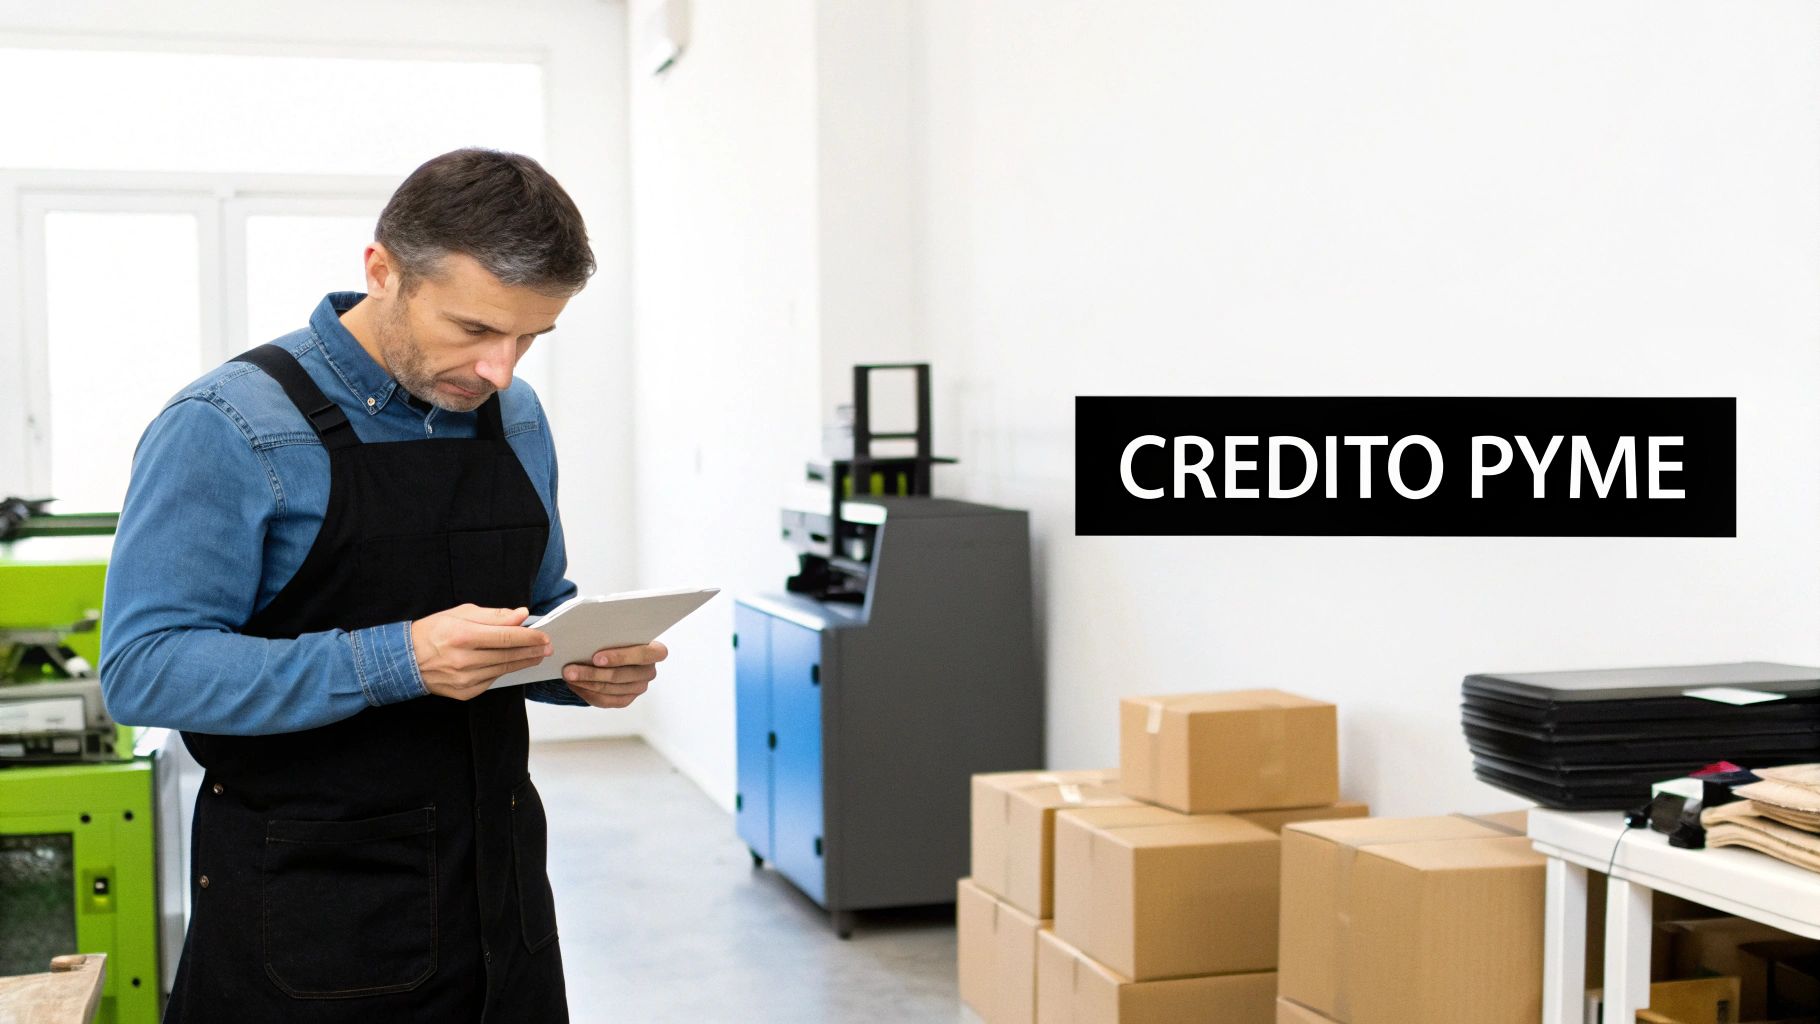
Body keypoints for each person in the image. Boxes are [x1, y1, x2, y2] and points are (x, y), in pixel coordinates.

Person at [99, 148, 661, 1023]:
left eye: (530, 339)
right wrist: (399, 658)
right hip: (310, 919)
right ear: (382, 271)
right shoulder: (230, 426)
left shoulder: (512, 417)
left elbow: (538, 605)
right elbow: (146, 669)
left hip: (500, 902)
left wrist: (578, 665)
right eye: (474, 330)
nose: (501, 370)